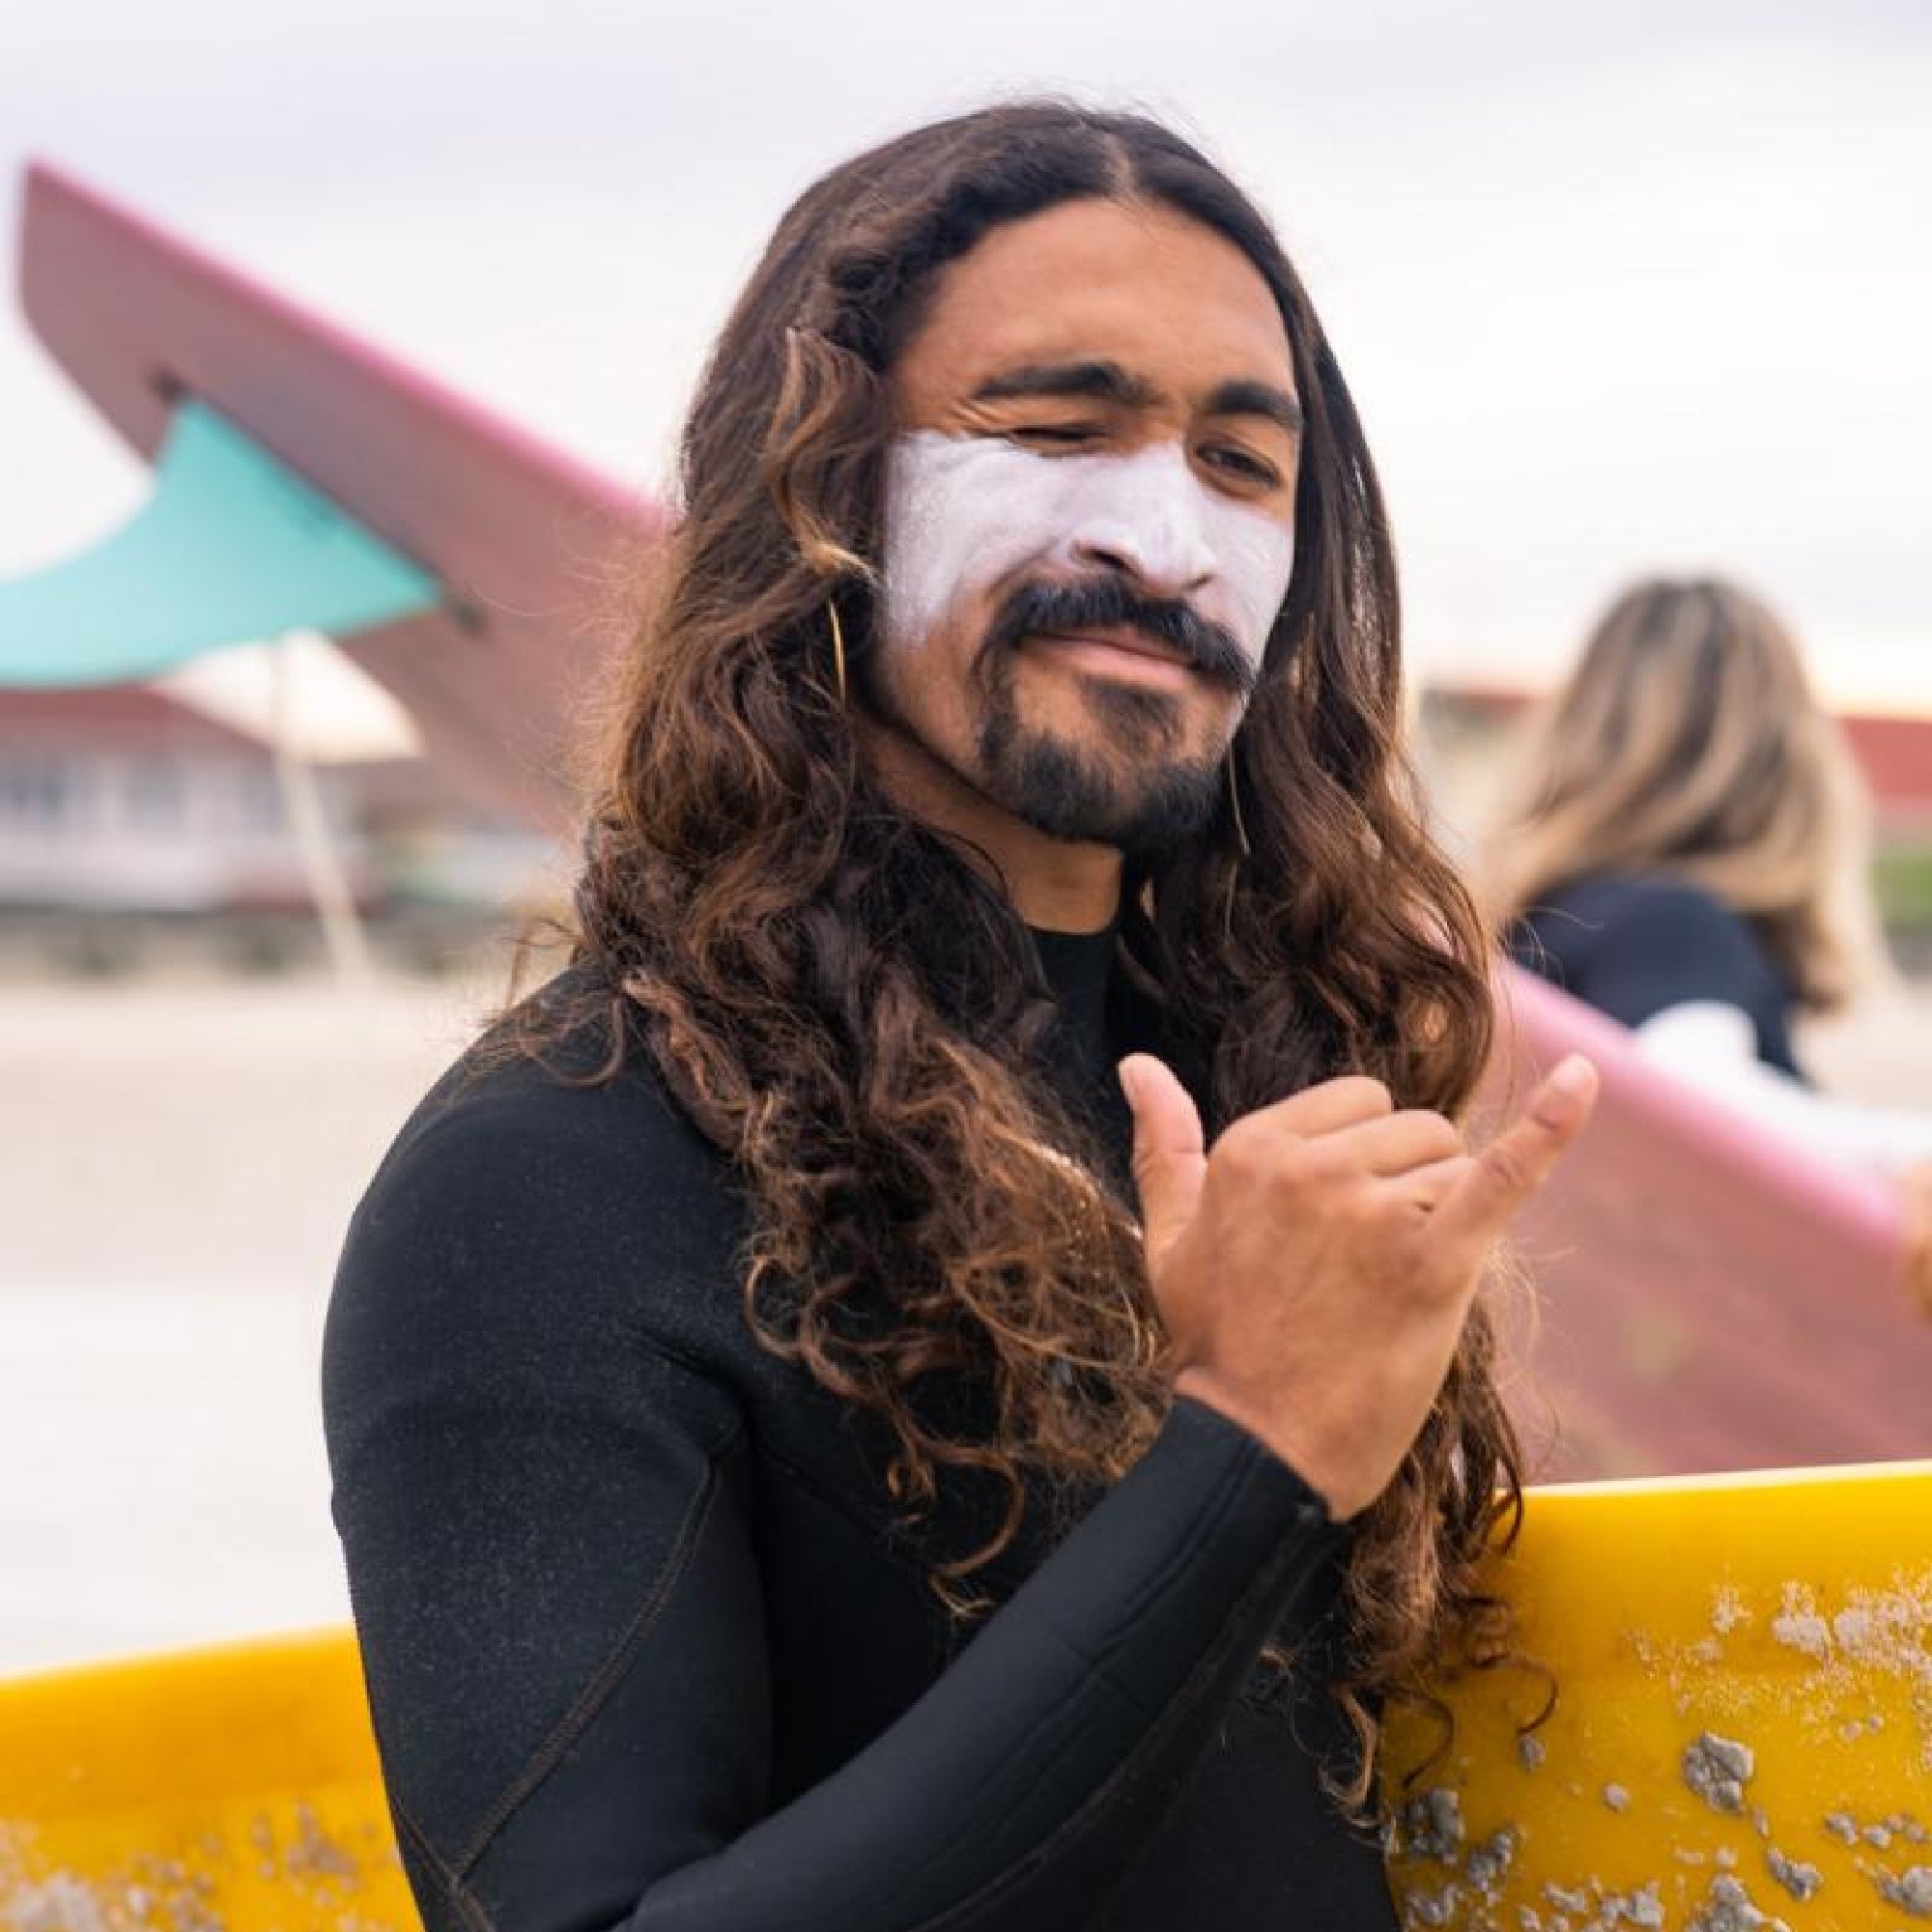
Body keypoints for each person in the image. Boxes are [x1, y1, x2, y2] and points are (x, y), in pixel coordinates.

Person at [323, 102, 1598, 1932]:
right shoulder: (557, 1175)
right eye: (1057, 430)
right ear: (816, 496)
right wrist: (1247, 1454)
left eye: (1242, 465)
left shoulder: (1248, 1093)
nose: (1164, 542)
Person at [1494, 575, 1932, 1308]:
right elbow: (1700, 1099)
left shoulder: (1550, 933)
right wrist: (1909, 1151)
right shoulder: (1674, 922)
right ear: (1787, 757)